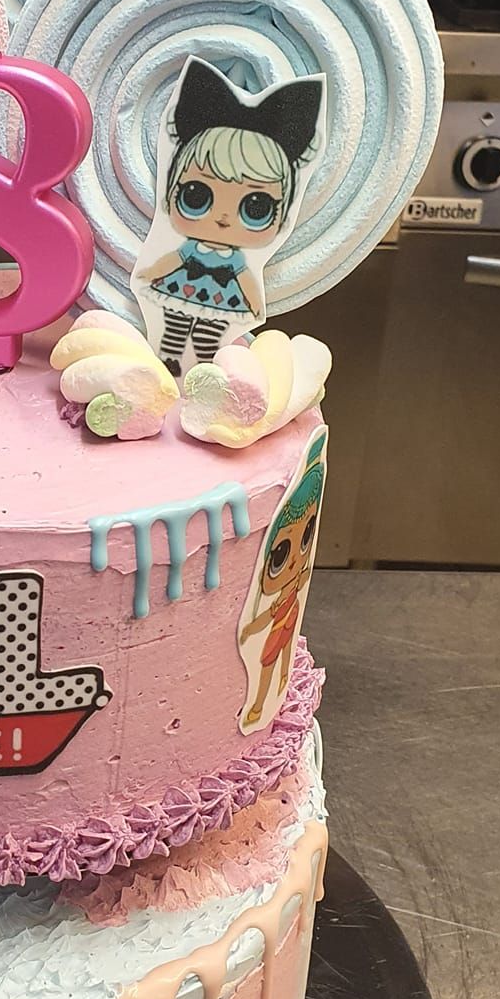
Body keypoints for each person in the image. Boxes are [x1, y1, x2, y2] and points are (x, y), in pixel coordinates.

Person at [134, 61, 322, 375]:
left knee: (209, 335)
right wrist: (152, 271)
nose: (222, 219)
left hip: (219, 298)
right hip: (183, 290)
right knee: (175, 326)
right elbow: (173, 260)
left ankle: (206, 363)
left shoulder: (233, 259)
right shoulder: (191, 248)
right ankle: (171, 357)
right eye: (196, 196)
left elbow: (247, 278)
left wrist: (255, 302)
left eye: (256, 207)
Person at [240, 429, 327, 729]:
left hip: (286, 621)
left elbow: (268, 613)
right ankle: (260, 702)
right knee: (266, 663)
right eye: (280, 555)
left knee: (281, 657)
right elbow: (266, 616)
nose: (292, 563)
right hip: (278, 625)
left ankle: (274, 691)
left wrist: (252, 627)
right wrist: (252, 627)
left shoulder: (292, 584)